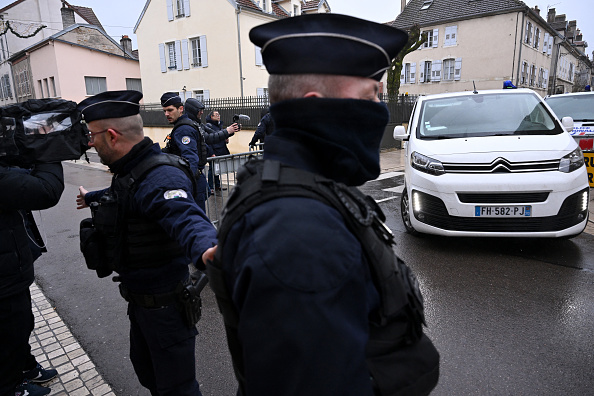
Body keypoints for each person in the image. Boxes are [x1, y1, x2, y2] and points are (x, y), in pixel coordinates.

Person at [204, 14, 440, 396]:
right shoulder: (299, 232)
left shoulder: (299, 187)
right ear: (316, 106)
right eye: (370, 96)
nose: (380, 109)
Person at [75, 90, 217, 396]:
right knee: (149, 374)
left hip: (165, 309)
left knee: (177, 389)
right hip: (142, 305)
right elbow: (127, 197)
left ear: (111, 136)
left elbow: (185, 217)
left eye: (92, 136)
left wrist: (208, 249)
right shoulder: (132, 171)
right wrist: (91, 197)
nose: (90, 142)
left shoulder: (160, 176)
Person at [1, 161, 63, 396]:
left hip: (11, 272)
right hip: (5, 278)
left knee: (20, 325)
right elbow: (45, 190)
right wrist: (49, 153)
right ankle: (11, 388)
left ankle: (24, 368)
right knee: (9, 332)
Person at [160, 92, 210, 211]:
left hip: (191, 183)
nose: (167, 114)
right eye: (164, 111)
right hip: (195, 181)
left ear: (180, 109)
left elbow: (191, 159)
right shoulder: (186, 125)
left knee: (194, 224)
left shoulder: (183, 129)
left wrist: (184, 186)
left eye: (170, 110)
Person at [204, 110, 234, 192]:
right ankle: (210, 187)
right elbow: (208, 141)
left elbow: (220, 136)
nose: (218, 116)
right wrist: (211, 153)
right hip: (213, 151)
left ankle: (217, 185)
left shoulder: (218, 125)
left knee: (217, 169)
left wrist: (225, 139)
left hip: (220, 149)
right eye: (216, 115)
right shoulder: (208, 126)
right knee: (212, 169)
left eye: (219, 114)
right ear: (211, 117)